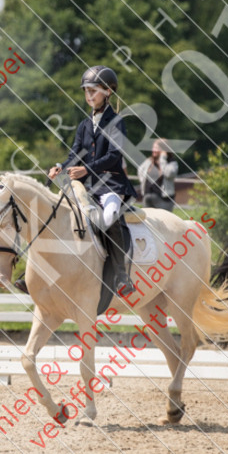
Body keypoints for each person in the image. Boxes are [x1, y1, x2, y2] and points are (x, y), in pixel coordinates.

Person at [47, 65, 137, 300]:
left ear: (107, 92)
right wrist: (61, 167)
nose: (88, 96)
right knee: (59, 213)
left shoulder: (117, 122)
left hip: (112, 186)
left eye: (93, 91)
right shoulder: (84, 125)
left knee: (109, 218)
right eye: (86, 91)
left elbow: (114, 155)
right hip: (87, 188)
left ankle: (121, 275)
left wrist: (86, 169)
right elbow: (74, 154)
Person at [138, 139, 177, 211]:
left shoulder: (171, 163)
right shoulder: (149, 161)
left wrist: (162, 159)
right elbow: (140, 171)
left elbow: (168, 174)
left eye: (157, 148)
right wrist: (143, 182)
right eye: (153, 147)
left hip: (164, 200)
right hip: (148, 198)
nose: (154, 150)